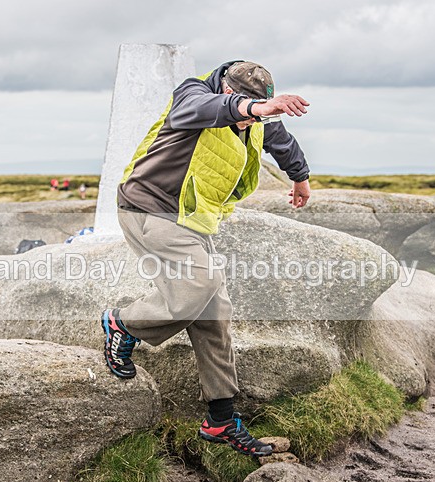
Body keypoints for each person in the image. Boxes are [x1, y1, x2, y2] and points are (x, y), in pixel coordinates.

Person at [101, 61, 310, 458]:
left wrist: (300, 176)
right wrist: (251, 111)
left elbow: (279, 139)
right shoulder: (194, 95)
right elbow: (196, 111)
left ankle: (220, 419)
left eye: (259, 111)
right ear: (229, 94)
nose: (252, 123)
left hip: (192, 219)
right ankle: (122, 323)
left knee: (215, 313)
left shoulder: (255, 118)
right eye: (248, 110)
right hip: (150, 210)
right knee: (199, 283)